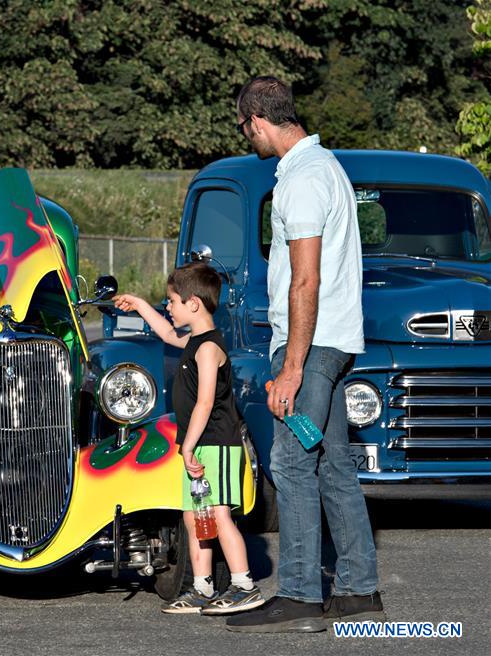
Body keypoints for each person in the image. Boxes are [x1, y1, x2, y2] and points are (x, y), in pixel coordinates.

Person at [225, 76, 383, 633]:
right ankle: (360, 591)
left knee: (292, 464)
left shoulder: (303, 180)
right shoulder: (325, 168)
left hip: (311, 348)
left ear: (258, 121)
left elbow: (305, 280)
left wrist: (290, 367)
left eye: (246, 128)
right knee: (334, 464)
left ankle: (298, 593)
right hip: (332, 344)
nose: (249, 138)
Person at [113, 263, 263, 616]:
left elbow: (207, 401)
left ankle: (244, 586)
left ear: (193, 304)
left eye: (172, 301)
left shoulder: (209, 348)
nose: (169, 307)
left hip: (217, 445)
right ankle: (202, 587)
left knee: (220, 515)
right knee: (195, 516)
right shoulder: (193, 340)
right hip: (198, 446)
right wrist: (139, 304)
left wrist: (190, 445)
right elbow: (166, 333)